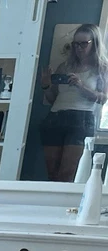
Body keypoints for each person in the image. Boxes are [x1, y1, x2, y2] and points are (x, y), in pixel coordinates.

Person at [40, 24, 108, 182]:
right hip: (54, 117)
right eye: (75, 44)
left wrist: (80, 86)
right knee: (52, 175)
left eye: (84, 44)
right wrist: (45, 85)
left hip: (81, 119)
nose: (78, 48)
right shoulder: (64, 66)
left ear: (95, 43)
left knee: (67, 175)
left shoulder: (102, 69)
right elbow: (52, 99)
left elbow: (104, 99)